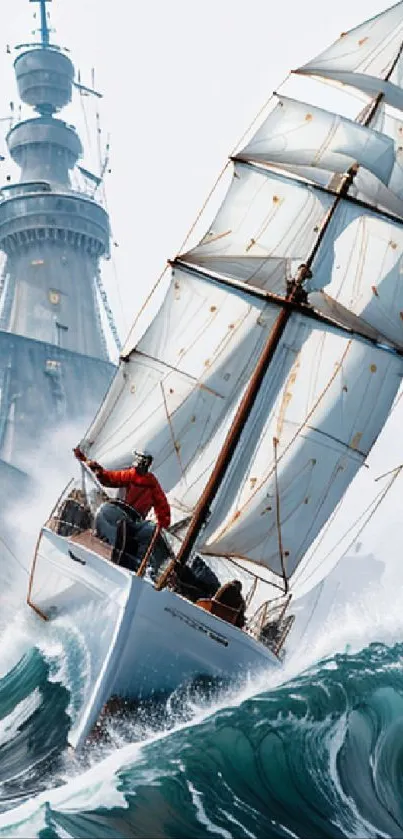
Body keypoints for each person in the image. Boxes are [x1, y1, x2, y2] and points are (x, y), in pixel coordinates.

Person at [73, 447, 170, 573]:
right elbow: (109, 478)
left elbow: (162, 507)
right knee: (106, 513)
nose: (139, 464)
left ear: (147, 463)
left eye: (142, 461)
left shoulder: (149, 483)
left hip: (133, 521)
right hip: (123, 515)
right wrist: (90, 464)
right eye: (139, 460)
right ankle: (105, 549)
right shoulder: (133, 476)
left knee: (146, 531)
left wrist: (163, 524)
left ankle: (133, 564)